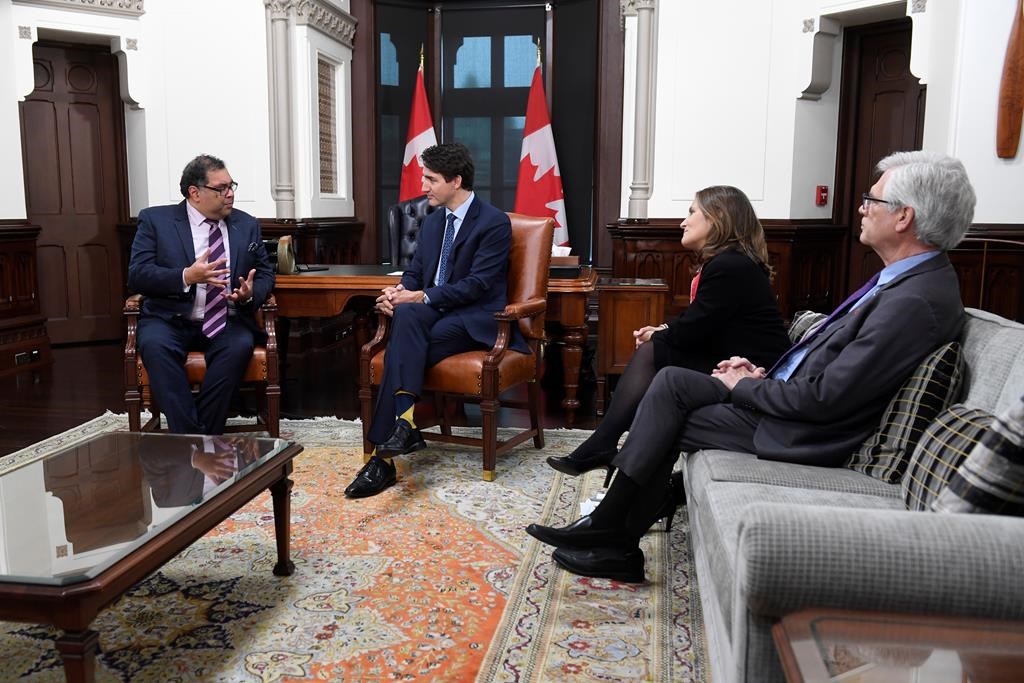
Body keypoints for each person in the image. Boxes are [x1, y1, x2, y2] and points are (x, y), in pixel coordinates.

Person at [527, 150, 976, 583]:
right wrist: (765, 373)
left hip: (808, 432)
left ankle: (613, 533)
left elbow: (827, 399)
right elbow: (829, 366)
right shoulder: (908, 281)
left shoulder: (914, 301)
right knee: (670, 384)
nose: (862, 209)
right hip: (788, 397)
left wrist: (745, 387)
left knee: (667, 400)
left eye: (872, 200)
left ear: (904, 217)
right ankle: (614, 535)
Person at [547, 185, 791, 484]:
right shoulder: (732, 262)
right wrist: (661, 331)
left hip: (753, 372)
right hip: (733, 357)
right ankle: (606, 444)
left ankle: (604, 443)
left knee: (652, 353)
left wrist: (656, 338)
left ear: (716, 218)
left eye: (691, 212)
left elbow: (693, 331)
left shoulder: (729, 266)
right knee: (654, 348)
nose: (682, 222)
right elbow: (699, 321)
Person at [344, 142, 528, 499]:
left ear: (455, 180)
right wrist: (396, 293)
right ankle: (404, 427)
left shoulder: (493, 222)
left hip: (477, 318)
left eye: (430, 178)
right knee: (407, 315)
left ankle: (383, 458)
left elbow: (478, 285)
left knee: (403, 340)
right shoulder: (433, 223)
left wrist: (421, 297)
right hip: (435, 315)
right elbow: (415, 274)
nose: (423, 186)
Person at [127, 154, 274, 435]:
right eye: (221, 188)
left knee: (239, 346)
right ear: (194, 193)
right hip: (169, 319)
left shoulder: (247, 224)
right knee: (156, 347)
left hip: (227, 321)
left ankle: (195, 441)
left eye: (232, 186)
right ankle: (196, 441)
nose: (230, 194)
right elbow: (138, 274)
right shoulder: (156, 221)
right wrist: (186, 276)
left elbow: (266, 274)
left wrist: (249, 294)